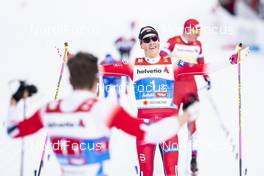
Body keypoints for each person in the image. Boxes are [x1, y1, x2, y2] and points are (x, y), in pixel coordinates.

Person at [6, 52, 198, 176]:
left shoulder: (49, 109)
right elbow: (151, 134)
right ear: (96, 79)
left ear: (70, 79)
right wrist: (186, 115)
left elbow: (13, 130)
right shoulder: (104, 108)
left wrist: (14, 101)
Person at [101, 26, 213, 176]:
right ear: (141, 44)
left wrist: (232, 60)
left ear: (159, 42)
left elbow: (201, 67)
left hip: (168, 127)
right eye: (147, 40)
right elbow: (102, 68)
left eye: (154, 38)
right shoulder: (133, 65)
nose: (152, 42)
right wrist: (72, 60)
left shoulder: (172, 63)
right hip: (144, 129)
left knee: (171, 173)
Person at [160, 18, 210, 173]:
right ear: (188, 30)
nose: (197, 35)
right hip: (174, 87)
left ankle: (193, 159)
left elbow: (201, 64)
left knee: (192, 122)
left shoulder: (198, 45)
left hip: (190, 87)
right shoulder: (173, 42)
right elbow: (160, 59)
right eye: (195, 32)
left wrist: (207, 78)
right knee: (170, 122)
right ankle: (168, 158)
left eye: (198, 32)